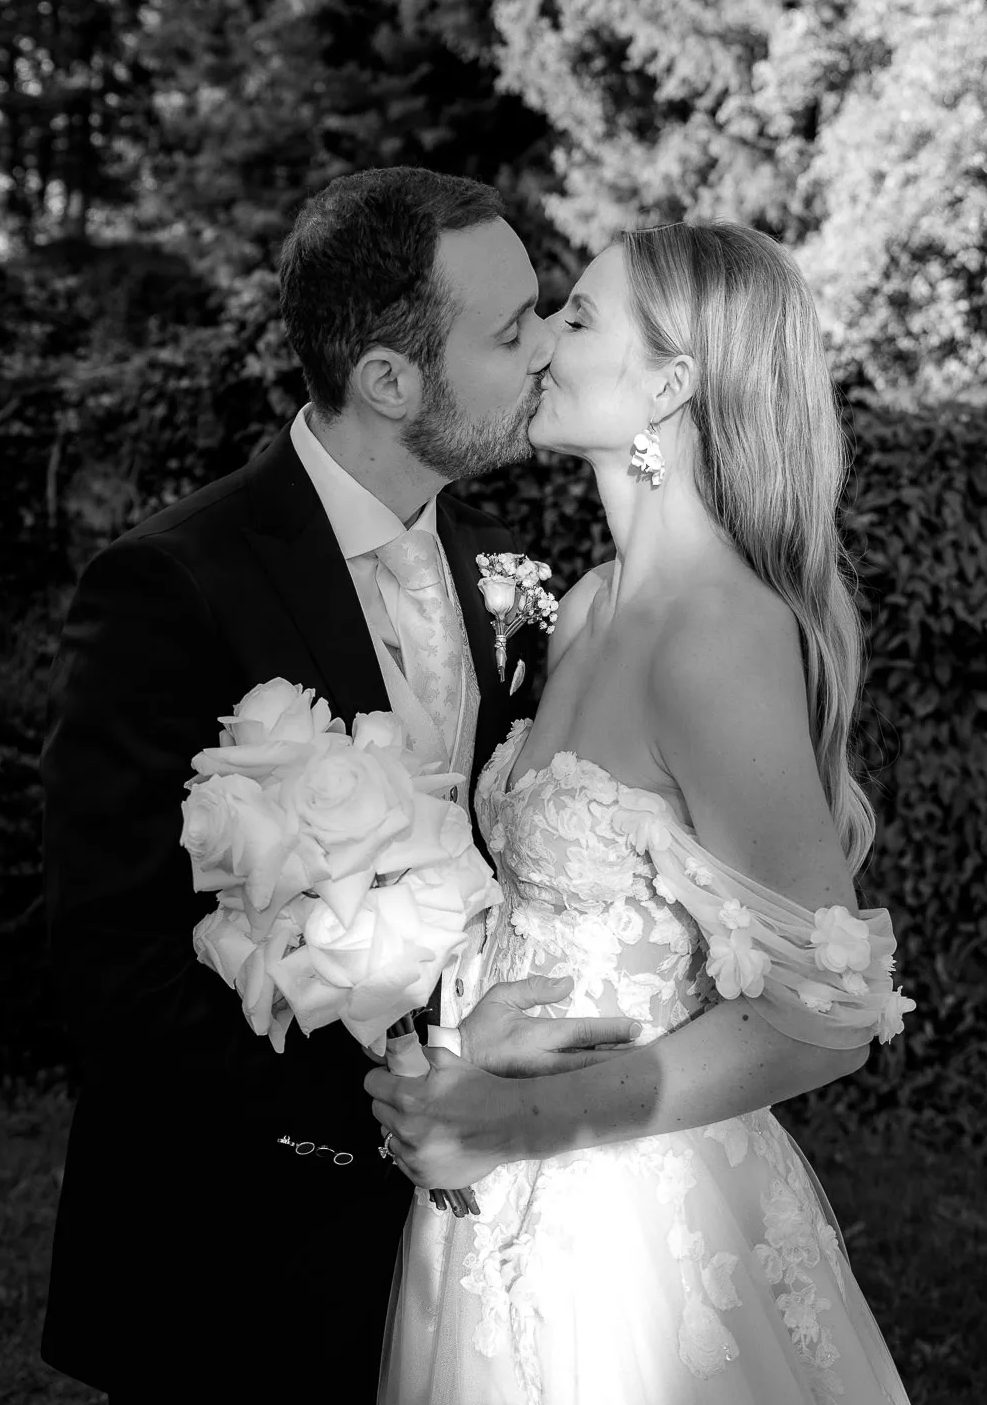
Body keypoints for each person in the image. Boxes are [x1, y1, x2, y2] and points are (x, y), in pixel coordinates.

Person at [40, 168, 637, 1405]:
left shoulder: (485, 565)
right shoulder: (172, 586)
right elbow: (112, 963)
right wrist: (389, 1110)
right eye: (512, 326)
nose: (546, 351)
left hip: (446, 1260)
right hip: (232, 1250)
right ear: (388, 381)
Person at [373, 222, 914, 1404]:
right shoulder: (591, 608)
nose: (543, 340)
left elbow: (825, 1017)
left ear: (670, 384)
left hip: (631, 1234)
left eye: (578, 316)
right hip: (489, 1193)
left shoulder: (718, 635)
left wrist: (522, 1121)